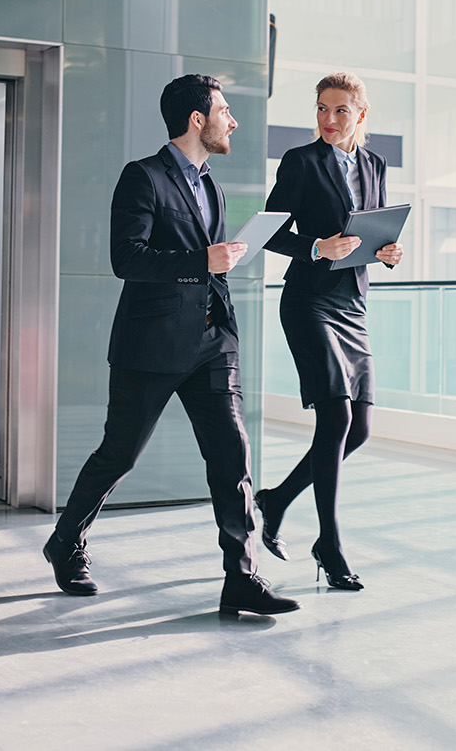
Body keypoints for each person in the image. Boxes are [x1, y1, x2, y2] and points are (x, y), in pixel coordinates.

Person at [43, 74, 298, 617]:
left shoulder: (212, 185)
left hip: (212, 341)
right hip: (152, 344)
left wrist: (222, 299)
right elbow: (126, 259)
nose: (234, 120)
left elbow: (213, 262)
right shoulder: (143, 177)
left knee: (233, 457)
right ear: (197, 120)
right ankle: (66, 542)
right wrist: (199, 262)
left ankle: (242, 577)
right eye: (225, 111)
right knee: (119, 454)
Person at [257, 71, 403, 591]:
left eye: (340, 110)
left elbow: (374, 230)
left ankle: (275, 499)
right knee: (335, 416)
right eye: (322, 108)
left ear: (360, 115)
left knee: (358, 430)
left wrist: (387, 252)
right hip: (309, 301)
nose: (329, 119)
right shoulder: (301, 162)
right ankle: (330, 543)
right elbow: (269, 231)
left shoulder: (375, 164)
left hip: (353, 305)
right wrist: (317, 247)